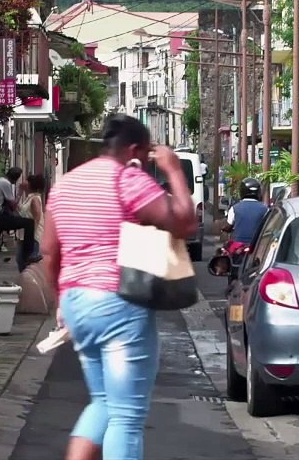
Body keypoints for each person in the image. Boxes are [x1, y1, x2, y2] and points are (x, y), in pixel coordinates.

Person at [40, 115, 196, 460]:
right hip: (118, 302)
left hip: (77, 302)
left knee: (104, 403)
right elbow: (185, 222)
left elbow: (50, 251)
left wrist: (61, 299)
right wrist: (172, 170)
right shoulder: (128, 179)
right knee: (126, 416)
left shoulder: (65, 184)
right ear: (134, 150)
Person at [0, 167, 36, 282]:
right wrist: (20, 193)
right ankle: (29, 253)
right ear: (15, 179)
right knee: (29, 223)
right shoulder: (6, 184)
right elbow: (13, 205)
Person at [225, 178, 268, 253]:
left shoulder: (234, 208)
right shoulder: (265, 209)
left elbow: (229, 225)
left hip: (238, 245)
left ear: (242, 191)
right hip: (257, 245)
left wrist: (224, 229)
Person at [19, 174, 48, 265]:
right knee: (21, 260)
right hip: (26, 235)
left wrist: (31, 234)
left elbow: (37, 218)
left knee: (26, 261)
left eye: (26, 181)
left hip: (33, 237)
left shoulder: (34, 199)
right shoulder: (29, 198)